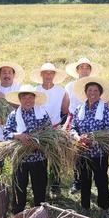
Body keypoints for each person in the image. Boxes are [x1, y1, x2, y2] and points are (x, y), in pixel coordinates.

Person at [70, 77, 109, 218]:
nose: (92, 93)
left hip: (100, 153)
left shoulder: (106, 109)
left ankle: (104, 208)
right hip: (83, 152)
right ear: (85, 92)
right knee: (84, 180)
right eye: (90, 90)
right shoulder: (79, 109)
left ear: (100, 93)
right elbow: (73, 128)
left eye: (96, 90)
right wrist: (78, 138)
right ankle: (85, 207)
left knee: (101, 180)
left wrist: (92, 139)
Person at [3, 85, 52, 214]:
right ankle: (18, 212)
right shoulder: (13, 115)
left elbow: (50, 133)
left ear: (35, 99)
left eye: (31, 97)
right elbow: (6, 133)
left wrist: (38, 144)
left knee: (39, 186)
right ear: (20, 99)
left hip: (39, 157)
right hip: (20, 158)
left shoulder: (42, 114)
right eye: (24, 97)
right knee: (19, 186)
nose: (28, 100)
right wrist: (17, 136)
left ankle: (40, 212)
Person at [64, 57, 103, 194]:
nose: (84, 70)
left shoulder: (96, 84)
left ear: (90, 70)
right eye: (81, 67)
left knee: (94, 150)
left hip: (93, 120)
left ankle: (97, 182)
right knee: (77, 152)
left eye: (87, 67)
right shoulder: (69, 86)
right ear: (77, 70)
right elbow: (66, 105)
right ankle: (77, 181)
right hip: (76, 120)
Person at [32, 62, 69, 197]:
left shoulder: (61, 91)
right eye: (45, 73)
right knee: (40, 159)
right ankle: (42, 187)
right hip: (39, 131)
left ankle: (55, 186)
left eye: (51, 73)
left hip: (54, 129)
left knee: (55, 160)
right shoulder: (34, 90)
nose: (48, 75)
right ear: (41, 75)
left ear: (54, 75)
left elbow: (65, 110)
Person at [0, 62, 23, 175]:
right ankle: (0, 181)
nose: (6, 75)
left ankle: (16, 183)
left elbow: (22, 106)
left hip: (14, 130)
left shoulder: (18, 88)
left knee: (16, 160)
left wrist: (5, 97)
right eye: (4, 72)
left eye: (9, 72)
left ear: (13, 74)